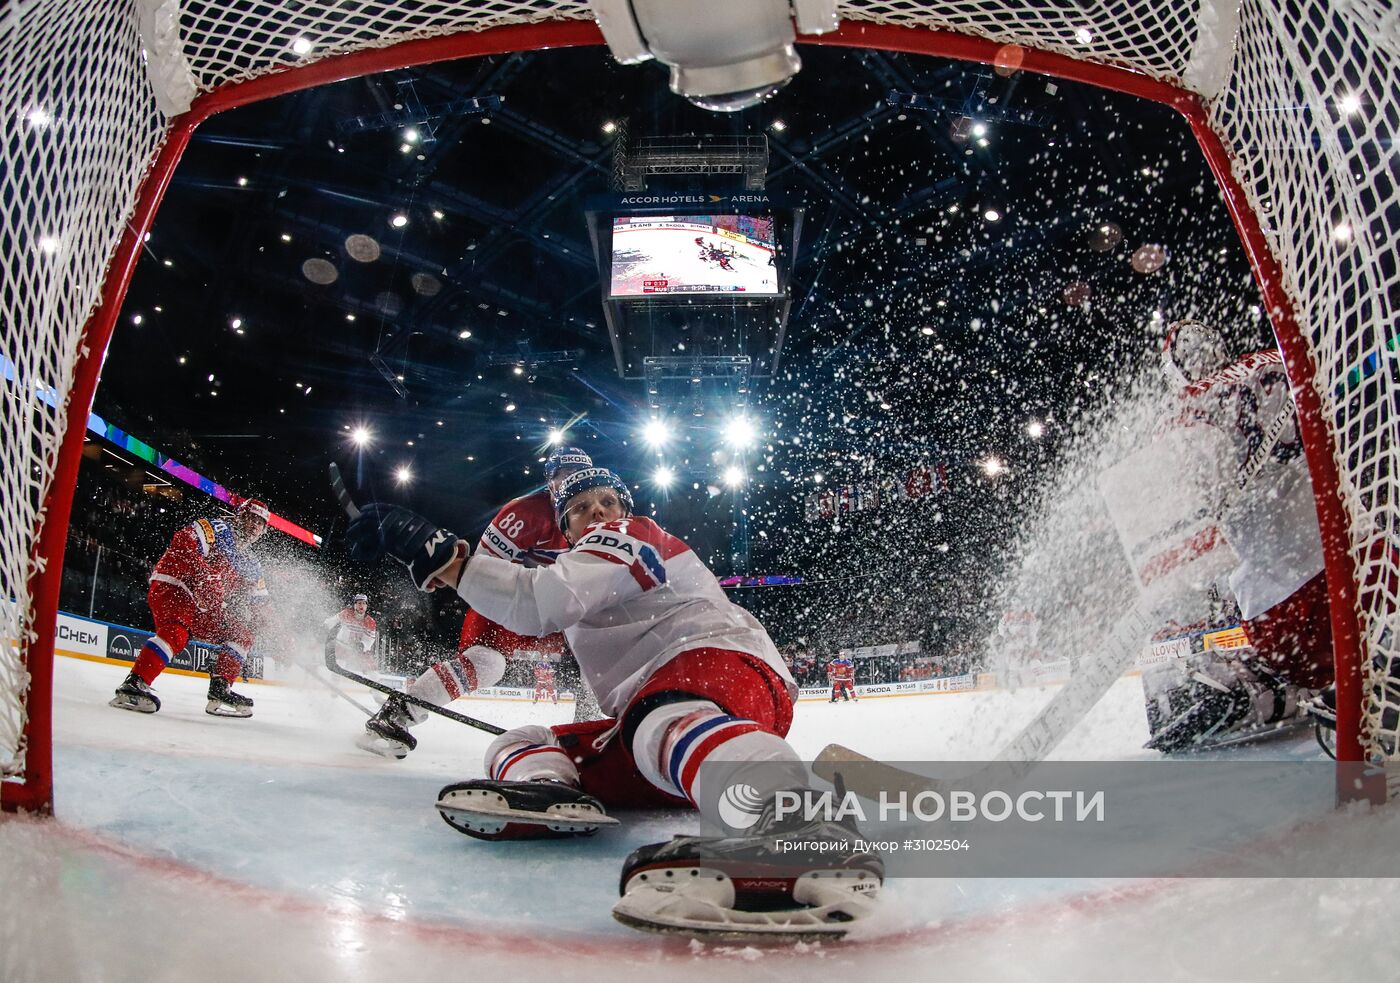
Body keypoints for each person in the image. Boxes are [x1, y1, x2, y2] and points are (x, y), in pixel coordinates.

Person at [346, 466, 881, 936]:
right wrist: (445, 566)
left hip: (720, 663)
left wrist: (444, 556)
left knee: (658, 719)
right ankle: (551, 793)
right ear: (565, 532)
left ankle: (795, 822)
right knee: (526, 741)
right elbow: (531, 600)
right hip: (664, 713)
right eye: (580, 508)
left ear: (625, 509)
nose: (597, 511)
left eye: (607, 500)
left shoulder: (633, 534)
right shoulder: (575, 569)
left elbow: (541, 602)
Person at [1138, 319, 1330, 751]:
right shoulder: (1277, 362)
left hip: (1284, 604)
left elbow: (1195, 527)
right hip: (1353, 564)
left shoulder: (1186, 412)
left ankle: (1276, 690)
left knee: (1282, 656)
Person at [357, 446, 592, 757]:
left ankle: (595, 727)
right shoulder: (523, 514)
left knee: (600, 645)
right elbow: (482, 571)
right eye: (562, 477)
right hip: (512, 600)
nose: (570, 484)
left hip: (560, 607)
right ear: (548, 481)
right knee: (486, 664)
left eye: (578, 478)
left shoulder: (601, 518)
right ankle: (399, 714)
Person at [110, 498, 271, 717]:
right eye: (251, 518)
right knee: (177, 631)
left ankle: (220, 689)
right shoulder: (217, 528)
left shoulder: (252, 563)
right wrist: (204, 574)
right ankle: (135, 683)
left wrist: (277, 633)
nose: (254, 525)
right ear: (239, 516)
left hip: (202, 605)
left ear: (263, 531)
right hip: (176, 584)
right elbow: (183, 540)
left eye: (260, 523)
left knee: (241, 633)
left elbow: (261, 605)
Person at [323, 594, 378, 675]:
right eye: (359, 603)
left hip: (359, 649)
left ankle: (374, 682)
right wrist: (324, 625)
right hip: (343, 645)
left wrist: (362, 645)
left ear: (366, 606)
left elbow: (370, 639)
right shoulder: (346, 614)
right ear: (355, 605)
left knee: (371, 667)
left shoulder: (370, 622)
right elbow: (333, 621)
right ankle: (335, 679)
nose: (361, 606)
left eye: (364, 603)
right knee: (339, 662)